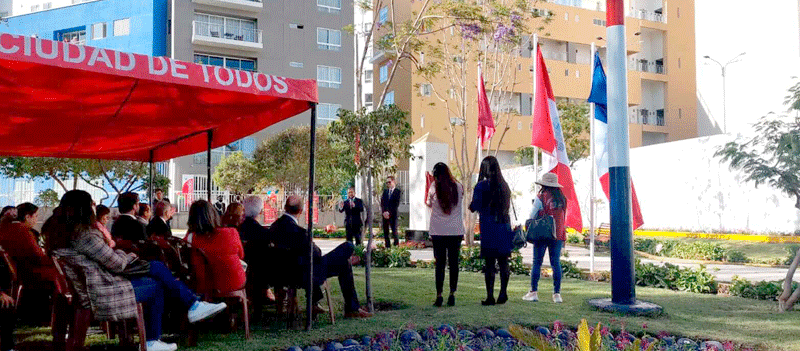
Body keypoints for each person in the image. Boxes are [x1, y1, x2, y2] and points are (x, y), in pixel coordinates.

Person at [45, 190, 228, 351]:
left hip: (92, 287)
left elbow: (106, 257)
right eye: (92, 204)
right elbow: (115, 263)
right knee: (157, 282)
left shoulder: (61, 235)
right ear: (83, 209)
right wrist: (130, 256)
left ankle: (190, 308)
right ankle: (158, 335)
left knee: (156, 270)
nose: (95, 207)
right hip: (102, 291)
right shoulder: (84, 236)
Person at [272, 196, 372, 319]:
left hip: (283, 273)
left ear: (285, 208)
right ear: (301, 211)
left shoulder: (273, 227)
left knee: (344, 263)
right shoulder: (300, 232)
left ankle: (346, 307)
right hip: (305, 275)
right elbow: (317, 254)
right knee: (348, 246)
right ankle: (352, 309)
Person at [469, 156, 513, 306]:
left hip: (489, 228)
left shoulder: (481, 186)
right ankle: (503, 293)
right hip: (504, 226)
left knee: (489, 263)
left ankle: (490, 296)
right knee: (503, 262)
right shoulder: (504, 185)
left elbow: (474, 206)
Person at [184, 200, 246, 295]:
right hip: (234, 281)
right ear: (213, 214)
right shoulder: (231, 232)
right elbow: (241, 256)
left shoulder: (191, 238)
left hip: (205, 285)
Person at [523, 173, 567, 303]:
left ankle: (533, 292)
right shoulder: (562, 199)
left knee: (537, 262)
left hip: (542, 234)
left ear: (543, 185)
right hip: (558, 235)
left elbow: (532, 215)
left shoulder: (541, 197)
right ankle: (557, 294)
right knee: (556, 263)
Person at [425, 163, 464, 307]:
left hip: (438, 231)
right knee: (454, 263)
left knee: (440, 264)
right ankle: (452, 294)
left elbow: (428, 204)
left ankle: (439, 295)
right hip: (455, 230)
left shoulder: (434, 187)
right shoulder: (458, 187)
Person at [0, 203, 59, 285]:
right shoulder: (23, 231)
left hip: (17, 272)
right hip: (30, 274)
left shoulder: (7, 229)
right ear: (27, 217)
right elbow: (37, 255)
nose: (37, 220)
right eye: (36, 216)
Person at [380, 176, 402, 248]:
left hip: (393, 214)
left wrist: (389, 212)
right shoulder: (385, 191)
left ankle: (396, 247)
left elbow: (396, 204)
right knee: (386, 232)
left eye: (389, 182)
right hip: (385, 215)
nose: (388, 184)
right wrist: (384, 212)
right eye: (387, 182)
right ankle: (387, 246)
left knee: (394, 231)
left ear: (394, 182)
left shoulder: (397, 191)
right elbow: (382, 203)